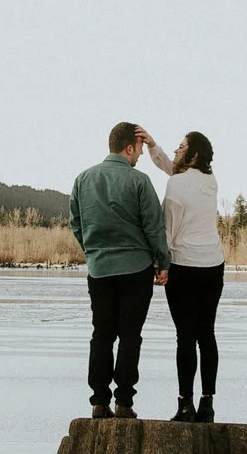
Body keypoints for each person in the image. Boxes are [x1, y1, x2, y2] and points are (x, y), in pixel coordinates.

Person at [67, 121, 169, 419]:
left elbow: (76, 223)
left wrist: (92, 252)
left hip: (99, 269)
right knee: (130, 335)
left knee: (102, 334)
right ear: (129, 147)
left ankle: (99, 401)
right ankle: (124, 402)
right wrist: (162, 263)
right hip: (136, 268)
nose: (138, 155)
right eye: (138, 149)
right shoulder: (139, 181)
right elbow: (154, 227)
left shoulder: (83, 179)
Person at [140, 128, 224, 422]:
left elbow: (167, 230)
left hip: (185, 266)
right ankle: (207, 403)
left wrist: (160, 264)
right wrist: (153, 146)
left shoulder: (175, 186)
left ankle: (185, 405)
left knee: (185, 337)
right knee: (207, 334)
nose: (176, 150)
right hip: (213, 264)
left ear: (193, 155)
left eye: (181, 146)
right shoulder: (210, 181)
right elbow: (174, 169)